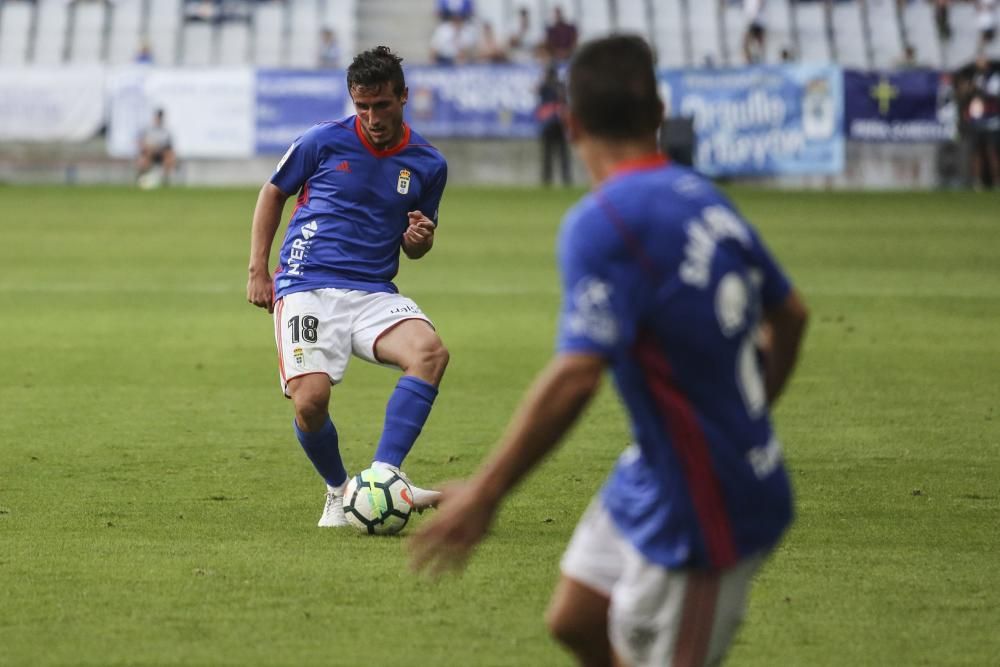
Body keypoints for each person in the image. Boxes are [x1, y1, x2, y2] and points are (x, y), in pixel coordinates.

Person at [410, 35, 809, 667]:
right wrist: (753, 405)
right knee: (576, 619)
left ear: (570, 125)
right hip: (654, 468)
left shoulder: (604, 220)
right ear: (659, 114)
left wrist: (487, 491)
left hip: (709, 497)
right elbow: (790, 315)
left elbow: (576, 377)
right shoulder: (702, 196)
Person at [246, 46, 450, 528]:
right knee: (310, 402)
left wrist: (420, 239)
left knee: (431, 354)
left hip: (374, 289)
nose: (372, 117)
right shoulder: (322, 141)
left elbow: (416, 244)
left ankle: (382, 478)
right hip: (307, 283)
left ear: (403, 97)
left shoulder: (428, 164)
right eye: (362, 106)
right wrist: (259, 269)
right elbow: (273, 191)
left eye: (382, 105)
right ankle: (339, 492)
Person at [537, 63, 571, 186]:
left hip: (548, 122)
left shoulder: (545, 86)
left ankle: (547, 179)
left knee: (548, 153)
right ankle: (566, 178)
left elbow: (536, 91)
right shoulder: (560, 86)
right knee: (562, 153)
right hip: (559, 121)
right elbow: (565, 102)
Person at [136, 108, 176, 187]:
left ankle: (164, 180)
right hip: (149, 152)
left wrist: (159, 149)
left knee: (169, 155)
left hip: (161, 153)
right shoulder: (148, 129)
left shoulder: (166, 131)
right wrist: (149, 147)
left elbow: (169, 146)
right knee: (146, 154)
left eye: (160, 117)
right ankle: (141, 178)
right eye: (157, 117)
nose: (158, 119)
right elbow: (141, 143)